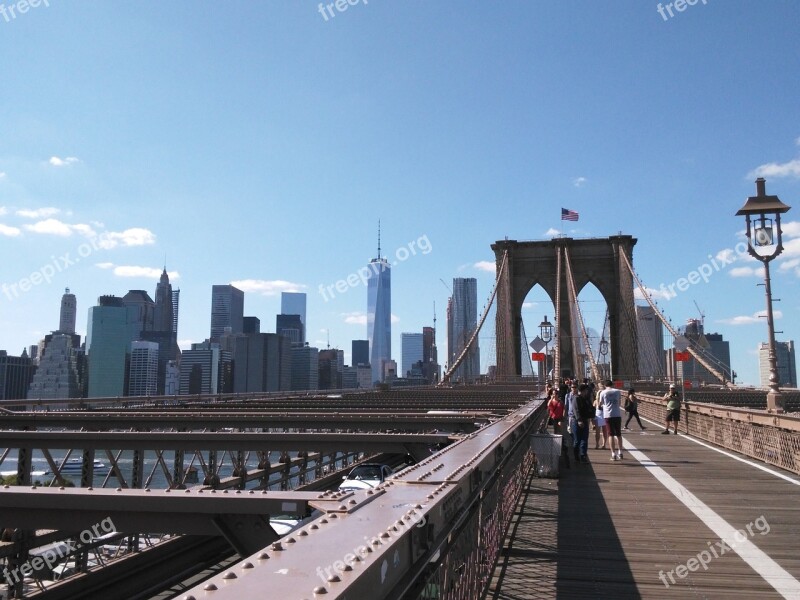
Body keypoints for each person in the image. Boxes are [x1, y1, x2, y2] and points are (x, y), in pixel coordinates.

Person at [599, 379, 624, 461]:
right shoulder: (617, 391)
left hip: (608, 415)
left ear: (605, 385)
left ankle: (613, 454)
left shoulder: (603, 392)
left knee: (611, 435)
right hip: (617, 414)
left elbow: (600, 403)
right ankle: (620, 452)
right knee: (619, 434)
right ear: (612, 384)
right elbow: (619, 403)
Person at [571, 383, 593, 463]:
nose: (587, 391)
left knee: (584, 439)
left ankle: (583, 456)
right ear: (583, 391)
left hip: (585, 420)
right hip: (577, 422)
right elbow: (576, 410)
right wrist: (579, 420)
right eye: (586, 390)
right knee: (577, 440)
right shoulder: (576, 398)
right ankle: (576, 456)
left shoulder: (585, 399)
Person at [593, 383, 608, 450]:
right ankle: (602, 444)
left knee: (599, 431)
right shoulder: (604, 401)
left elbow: (593, 409)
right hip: (603, 415)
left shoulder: (596, 401)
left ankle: (598, 444)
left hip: (599, 416)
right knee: (603, 431)